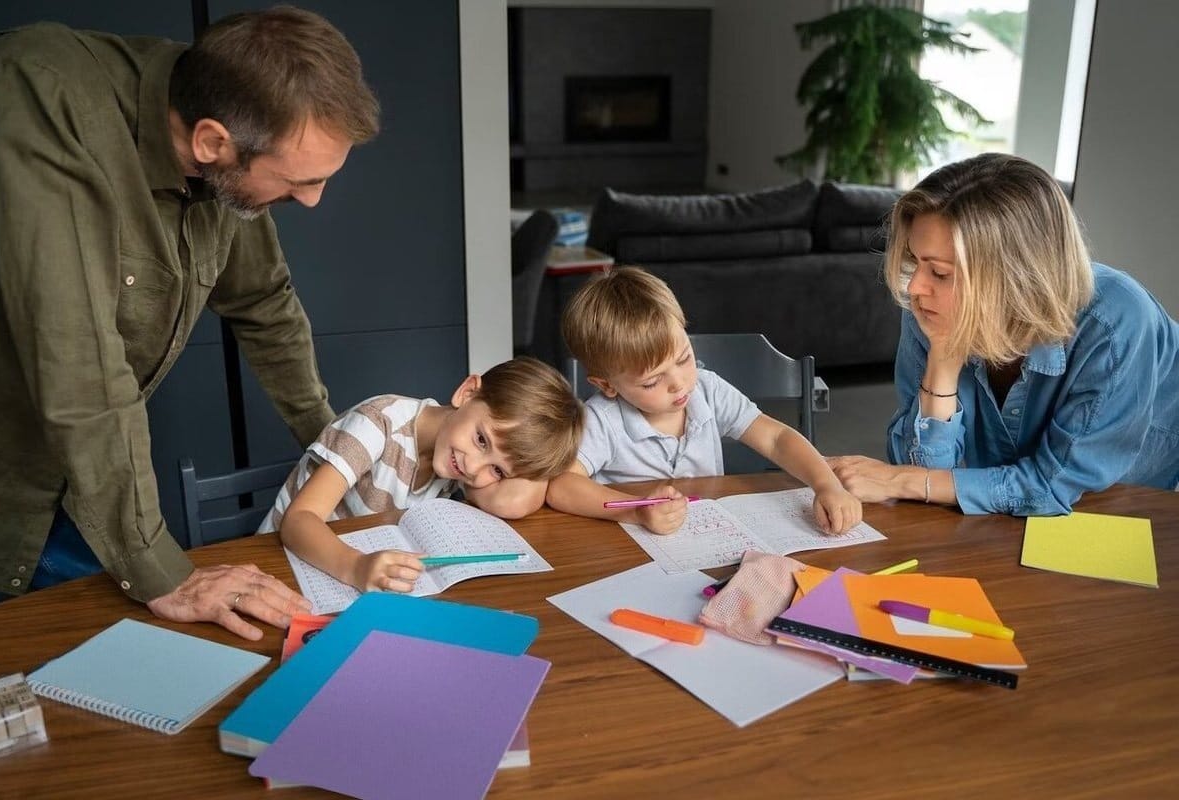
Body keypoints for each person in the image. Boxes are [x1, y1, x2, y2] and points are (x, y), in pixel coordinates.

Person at [0, 7, 381, 639]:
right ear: (212, 143)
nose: (313, 201)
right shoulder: (42, 88)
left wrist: (340, 451)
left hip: (93, 490)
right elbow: (78, 359)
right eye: (301, 181)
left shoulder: (227, 128)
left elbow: (265, 304)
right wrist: (166, 574)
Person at [829, 153, 1179, 515]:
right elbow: (924, 473)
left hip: (1132, 503)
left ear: (1011, 278)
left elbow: (1052, 484)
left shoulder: (1115, 323)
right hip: (1018, 513)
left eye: (941, 273)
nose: (915, 287)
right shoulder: (931, 309)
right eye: (917, 262)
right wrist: (943, 360)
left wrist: (899, 480)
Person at [545, 267, 861, 535]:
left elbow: (777, 438)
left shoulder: (707, 390)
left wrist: (827, 485)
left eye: (684, 358)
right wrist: (634, 511)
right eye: (653, 381)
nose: (679, 383)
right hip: (629, 545)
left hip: (707, 535)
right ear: (607, 386)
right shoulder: (602, 419)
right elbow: (562, 486)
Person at [273, 357, 584, 594]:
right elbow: (298, 519)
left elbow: (514, 502)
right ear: (468, 392)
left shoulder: (458, 459)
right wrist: (355, 566)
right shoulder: (379, 424)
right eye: (481, 440)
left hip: (353, 577)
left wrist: (537, 461)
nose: (474, 469)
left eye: (498, 470)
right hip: (286, 565)